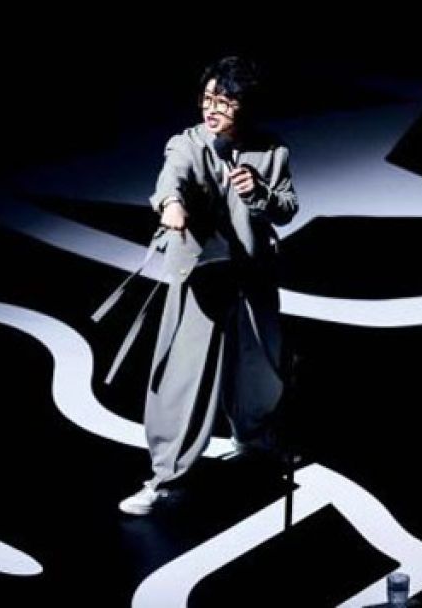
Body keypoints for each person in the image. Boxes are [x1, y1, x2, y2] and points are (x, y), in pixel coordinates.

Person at [119, 55, 299, 515]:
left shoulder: (272, 150)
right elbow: (172, 177)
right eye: (207, 98)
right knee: (183, 379)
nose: (211, 109)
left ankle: (254, 439)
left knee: (260, 367)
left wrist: (258, 192)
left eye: (224, 101)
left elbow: (286, 207)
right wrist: (170, 206)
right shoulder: (188, 144)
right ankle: (165, 476)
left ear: (246, 105)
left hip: (252, 275)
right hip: (201, 278)